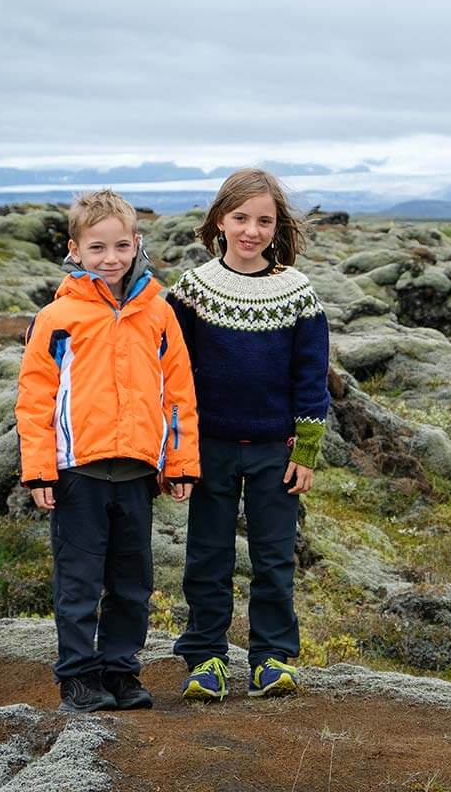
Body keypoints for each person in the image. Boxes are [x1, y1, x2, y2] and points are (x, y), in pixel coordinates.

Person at [16, 189, 200, 713]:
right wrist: (40, 471)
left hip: (139, 473)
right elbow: (34, 398)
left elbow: (178, 393)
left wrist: (180, 462)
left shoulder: (160, 315)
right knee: (78, 584)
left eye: (121, 246)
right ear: (75, 250)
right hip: (78, 475)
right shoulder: (57, 318)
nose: (111, 258)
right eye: (97, 248)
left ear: (137, 243)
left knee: (132, 582)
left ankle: (121, 672)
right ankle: (78, 678)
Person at [166, 168, 330, 700]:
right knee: (208, 556)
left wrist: (305, 449)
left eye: (264, 220)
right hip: (208, 447)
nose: (252, 230)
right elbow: (170, 372)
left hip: (274, 451)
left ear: (278, 226)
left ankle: (271, 659)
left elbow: (310, 376)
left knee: (274, 556)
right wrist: (176, 449)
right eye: (241, 218)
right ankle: (206, 658)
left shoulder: (297, 292)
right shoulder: (191, 290)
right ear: (219, 220)